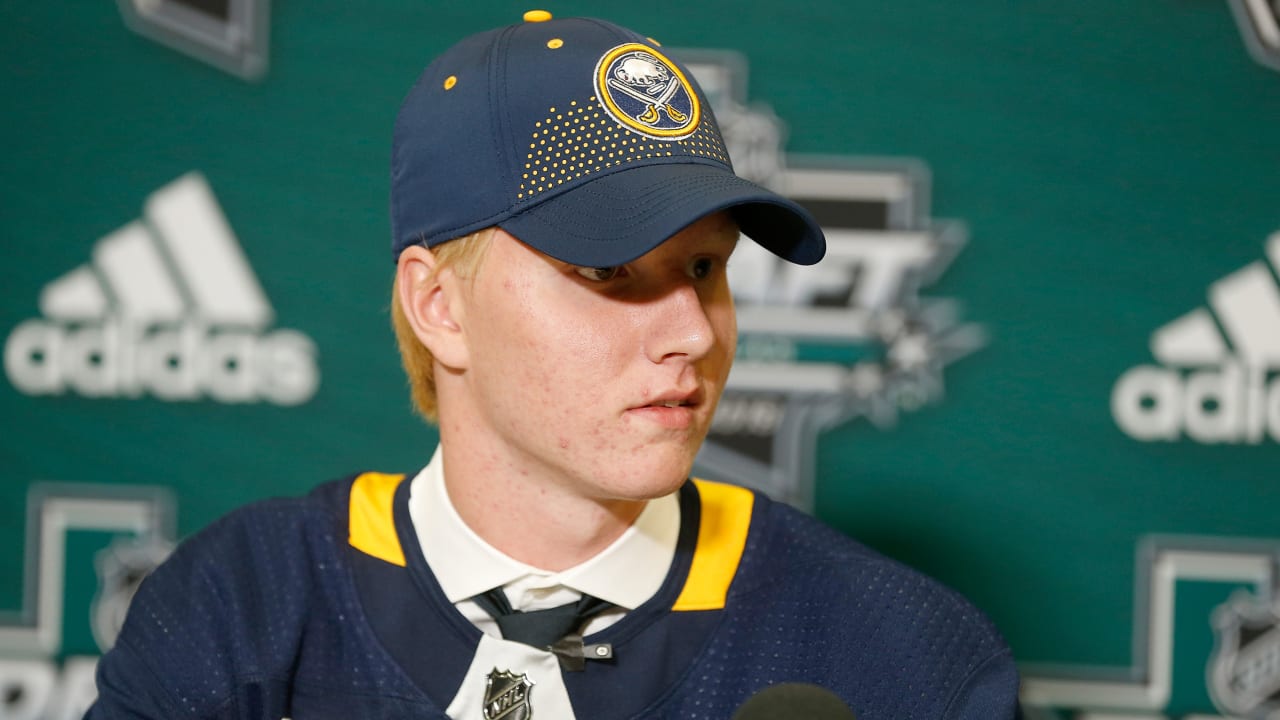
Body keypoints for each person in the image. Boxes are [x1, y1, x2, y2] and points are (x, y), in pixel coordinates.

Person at [87, 11, 1022, 720]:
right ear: (439, 307)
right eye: (609, 272)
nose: (692, 332)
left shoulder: (902, 655)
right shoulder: (240, 607)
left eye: (705, 268)